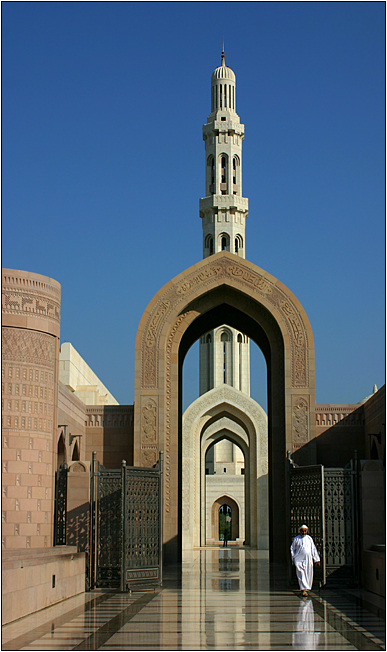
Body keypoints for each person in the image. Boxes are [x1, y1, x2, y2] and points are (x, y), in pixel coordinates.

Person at [290, 525, 320, 596]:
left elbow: (313, 549)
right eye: (302, 531)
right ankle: (303, 589)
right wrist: (293, 558)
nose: (304, 532)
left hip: (308, 560)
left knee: (307, 573)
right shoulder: (296, 539)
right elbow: (292, 549)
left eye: (305, 531)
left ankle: (306, 588)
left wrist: (316, 559)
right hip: (299, 560)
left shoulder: (309, 538)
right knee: (301, 574)